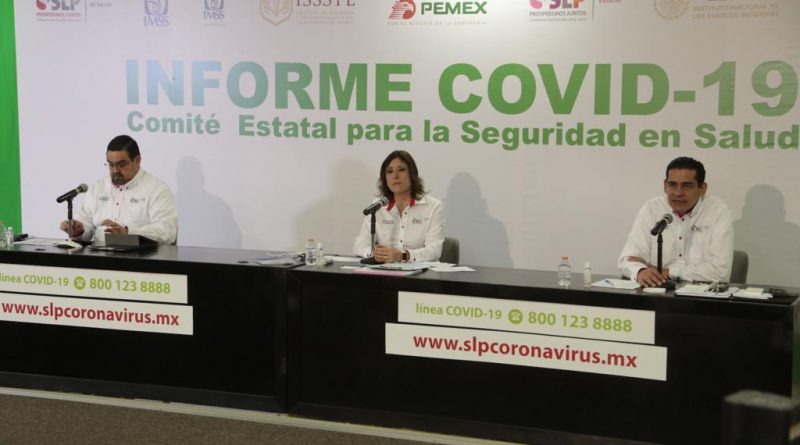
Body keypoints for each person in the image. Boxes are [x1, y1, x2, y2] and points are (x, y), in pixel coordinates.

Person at [618, 157, 733, 287]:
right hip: (658, 291)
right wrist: (641, 271)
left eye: (687, 186)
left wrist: (668, 272)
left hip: (700, 293)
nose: (678, 193)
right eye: (672, 185)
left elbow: (720, 272)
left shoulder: (717, 211)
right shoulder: (652, 208)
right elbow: (626, 260)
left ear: (702, 188)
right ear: (665, 185)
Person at [59, 135, 178, 245]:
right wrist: (80, 230)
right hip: (100, 256)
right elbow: (87, 224)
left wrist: (128, 232)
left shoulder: (157, 189)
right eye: (111, 165)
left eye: (122, 164)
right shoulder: (99, 187)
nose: (115, 170)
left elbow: (167, 231)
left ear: (137, 160)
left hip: (141, 257)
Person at [353, 150, 444, 263]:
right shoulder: (377, 207)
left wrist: (402, 255)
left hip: (421, 271)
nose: (395, 176)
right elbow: (359, 246)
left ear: (412, 174)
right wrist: (376, 254)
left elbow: (434, 251)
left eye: (401, 170)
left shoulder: (433, 207)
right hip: (384, 270)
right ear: (385, 179)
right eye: (390, 171)